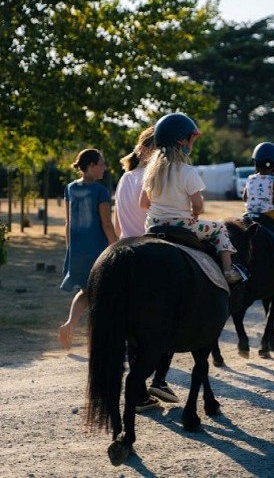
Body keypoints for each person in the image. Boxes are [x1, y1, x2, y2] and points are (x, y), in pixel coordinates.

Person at [114, 126, 180, 410]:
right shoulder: (153, 179)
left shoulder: (125, 178)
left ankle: (139, 392)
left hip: (123, 246)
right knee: (176, 310)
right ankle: (160, 379)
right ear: (147, 150)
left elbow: (119, 221)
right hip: (151, 244)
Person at [140, 112, 242, 284]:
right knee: (220, 228)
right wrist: (194, 214)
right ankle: (227, 271)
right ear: (181, 141)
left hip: (153, 225)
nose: (192, 144)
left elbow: (143, 204)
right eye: (191, 140)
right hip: (182, 225)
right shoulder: (187, 171)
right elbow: (198, 205)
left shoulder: (150, 172)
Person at [58, 148, 118, 349]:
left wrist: (69, 248)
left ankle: (69, 324)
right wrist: (116, 247)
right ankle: (95, 341)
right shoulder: (100, 191)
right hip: (97, 250)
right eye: (101, 163)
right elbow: (106, 224)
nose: (104, 167)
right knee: (101, 295)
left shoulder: (70, 188)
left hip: (77, 249)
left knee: (86, 291)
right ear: (91, 166)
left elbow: (67, 223)